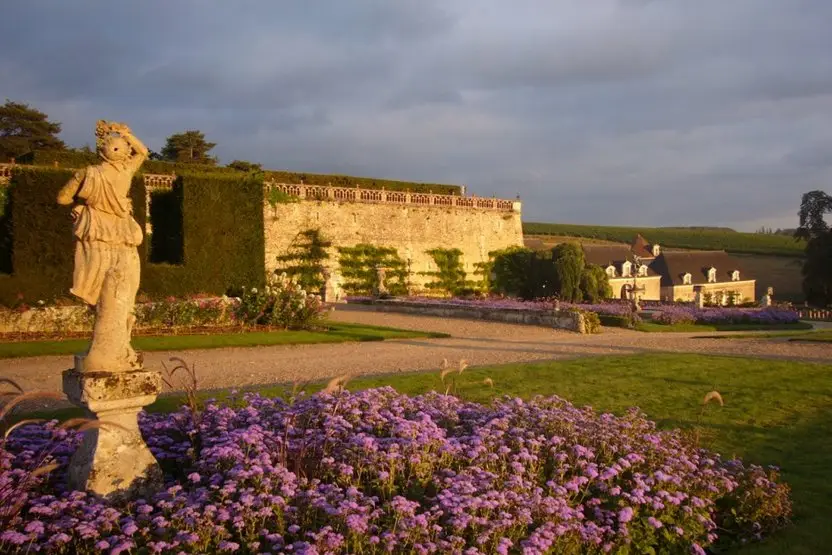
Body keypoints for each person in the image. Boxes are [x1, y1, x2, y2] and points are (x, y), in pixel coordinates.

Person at [57, 120, 148, 371]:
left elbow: (62, 198)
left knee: (103, 291)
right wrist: (128, 134)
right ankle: (112, 349)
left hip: (98, 233)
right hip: (121, 233)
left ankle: (112, 348)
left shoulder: (88, 173)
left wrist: (80, 206)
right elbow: (143, 152)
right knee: (121, 292)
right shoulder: (126, 169)